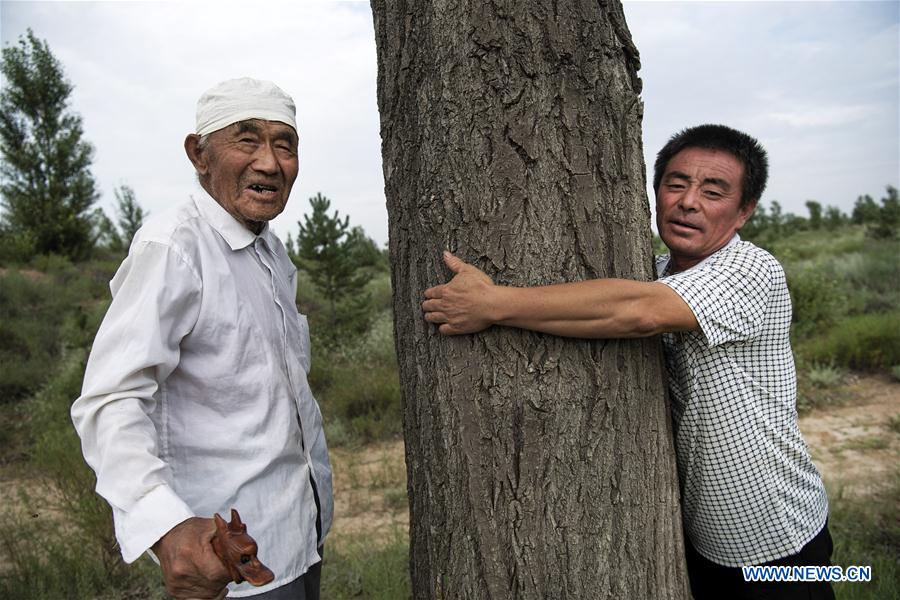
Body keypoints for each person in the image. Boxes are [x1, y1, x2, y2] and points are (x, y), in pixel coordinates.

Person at [422, 124, 834, 600]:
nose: (688, 201)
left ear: (745, 211)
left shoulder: (751, 269)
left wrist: (493, 304)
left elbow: (639, 313)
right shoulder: (656, 272)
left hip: (778, 540)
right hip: (699, 538)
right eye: (675, 184)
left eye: (713, 191)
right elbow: (621, 304)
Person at [71, 78, 333, 600]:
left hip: (298, 535)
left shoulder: (272, 252)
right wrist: (166, 527)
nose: (269, 162)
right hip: (223, 563)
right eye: (247, 139)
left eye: (285, 145)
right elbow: (110, 400)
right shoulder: (174, 248)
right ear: (199, 154)